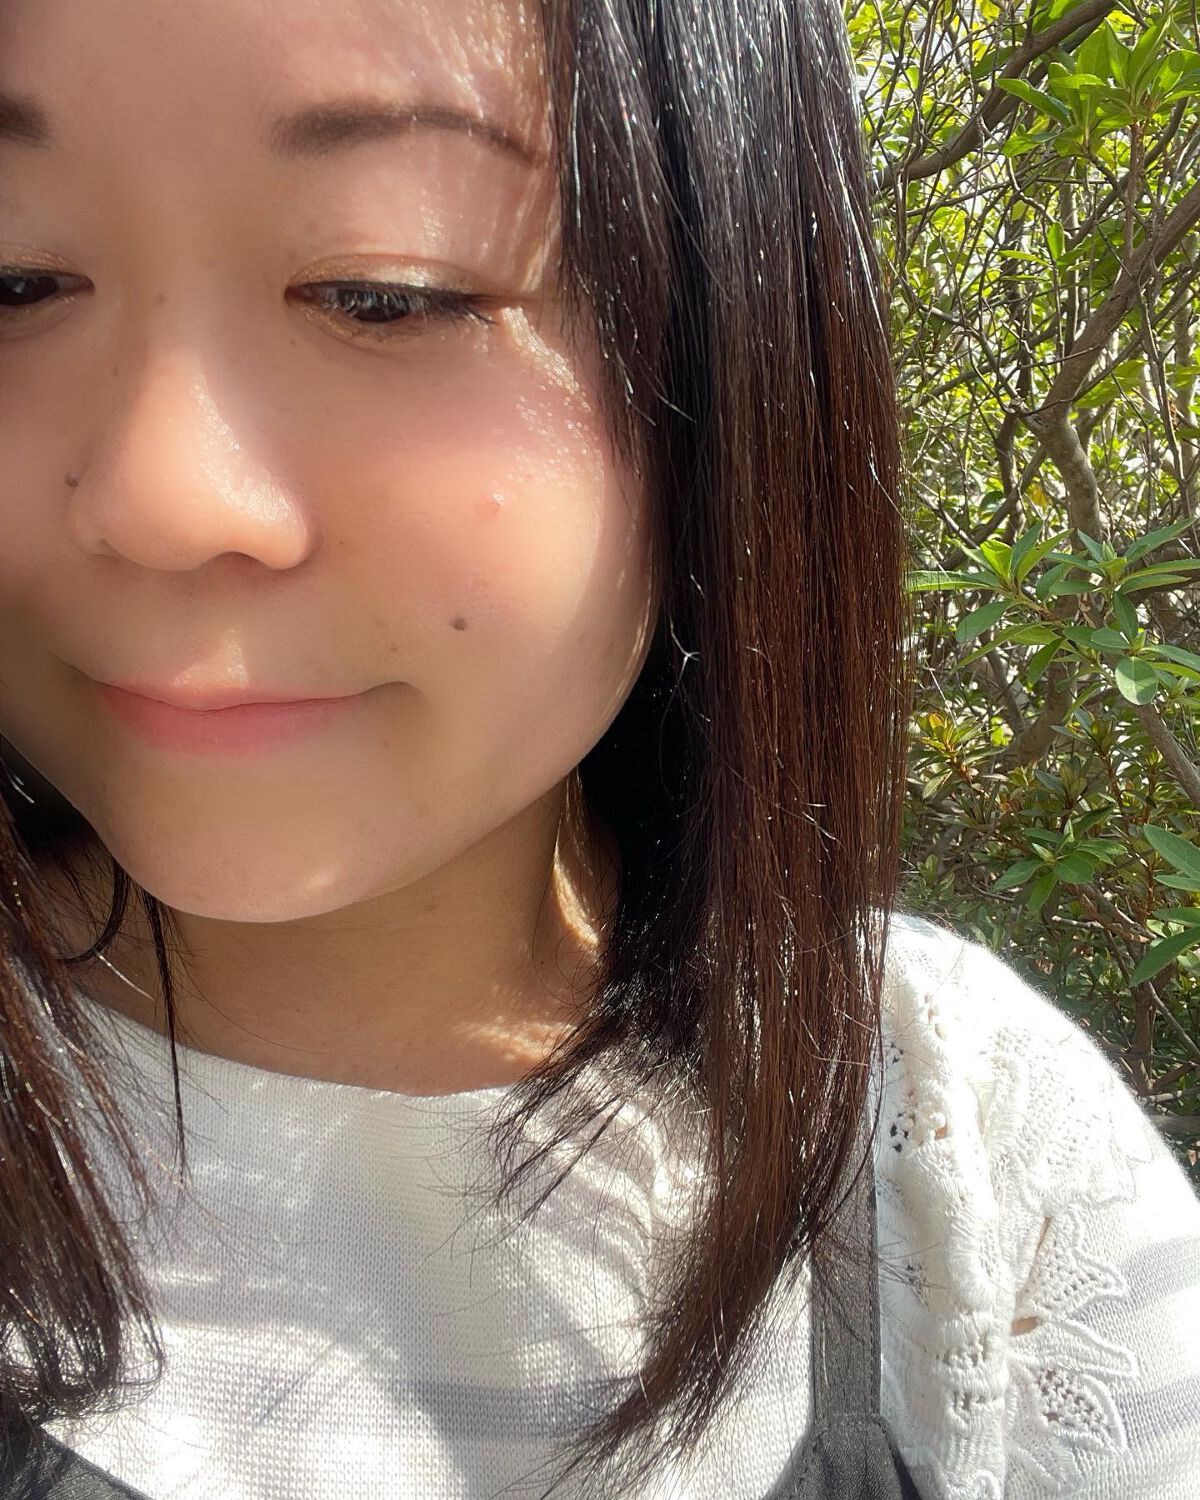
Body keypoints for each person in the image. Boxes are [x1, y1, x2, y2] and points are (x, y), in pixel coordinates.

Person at [0, 0, 1196, 1497]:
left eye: (385, 293)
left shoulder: (966, 1159)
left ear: (736, 351)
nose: (163, 496)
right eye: (15, 279)